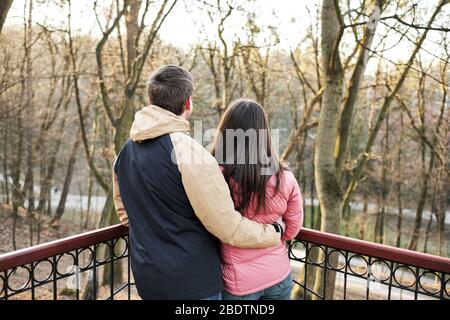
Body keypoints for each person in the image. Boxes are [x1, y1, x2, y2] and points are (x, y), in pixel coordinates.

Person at [112, 65, 284, 300]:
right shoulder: (190, 153)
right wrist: (274, 232)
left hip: (148, 278)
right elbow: (227, 226)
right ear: (188, 103)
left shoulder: (125, 152)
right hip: (192, 283)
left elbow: (125, 214)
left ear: (151, 100)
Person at [210, 99, 303, 300]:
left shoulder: (216, 176)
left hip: (239, 283)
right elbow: (293, 229)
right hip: (279, 276)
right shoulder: (285, 177)